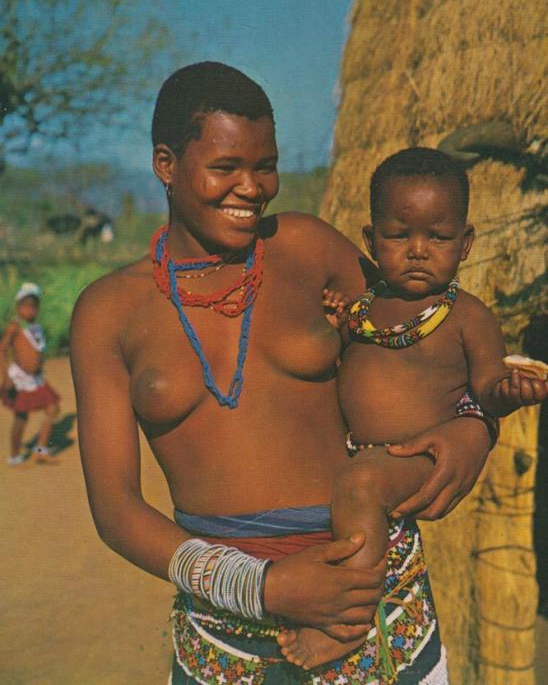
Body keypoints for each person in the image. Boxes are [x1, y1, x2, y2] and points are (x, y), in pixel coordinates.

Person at [70, 63, 497, 685]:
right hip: (225, 632)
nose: (252, 187)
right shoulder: (109, 311)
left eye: (265, 166)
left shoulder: (308, 249)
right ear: (166, 163)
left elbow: (431, 335)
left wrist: (475, 424)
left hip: (375, 601)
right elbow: (115, 510)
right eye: (225, 168)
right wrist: (261, 587)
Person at [278, 147, 548, 670]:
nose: (419, 250)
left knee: (359, 488)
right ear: (371, 242)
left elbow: (487, 386)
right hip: (360, 453)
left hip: (413, 456)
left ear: (465, 244)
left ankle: (349, 623)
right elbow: (339, 369)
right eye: (400, 236)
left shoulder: (469, 317)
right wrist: (333, 324)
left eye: (438, 237)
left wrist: (510, 395)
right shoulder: (363, 308)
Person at [1, 282, 61, 465]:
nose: (30, 310)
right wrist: (6, 377)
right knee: (21, 417)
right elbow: (2, 350)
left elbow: (37, 351)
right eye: (26, 305)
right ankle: (14, 455)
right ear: (18, 307)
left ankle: (40, 450)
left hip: (36, 379)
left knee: (53, 408)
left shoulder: (36, 328)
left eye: (34, 306)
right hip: (19, 379)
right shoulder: (15, 327)